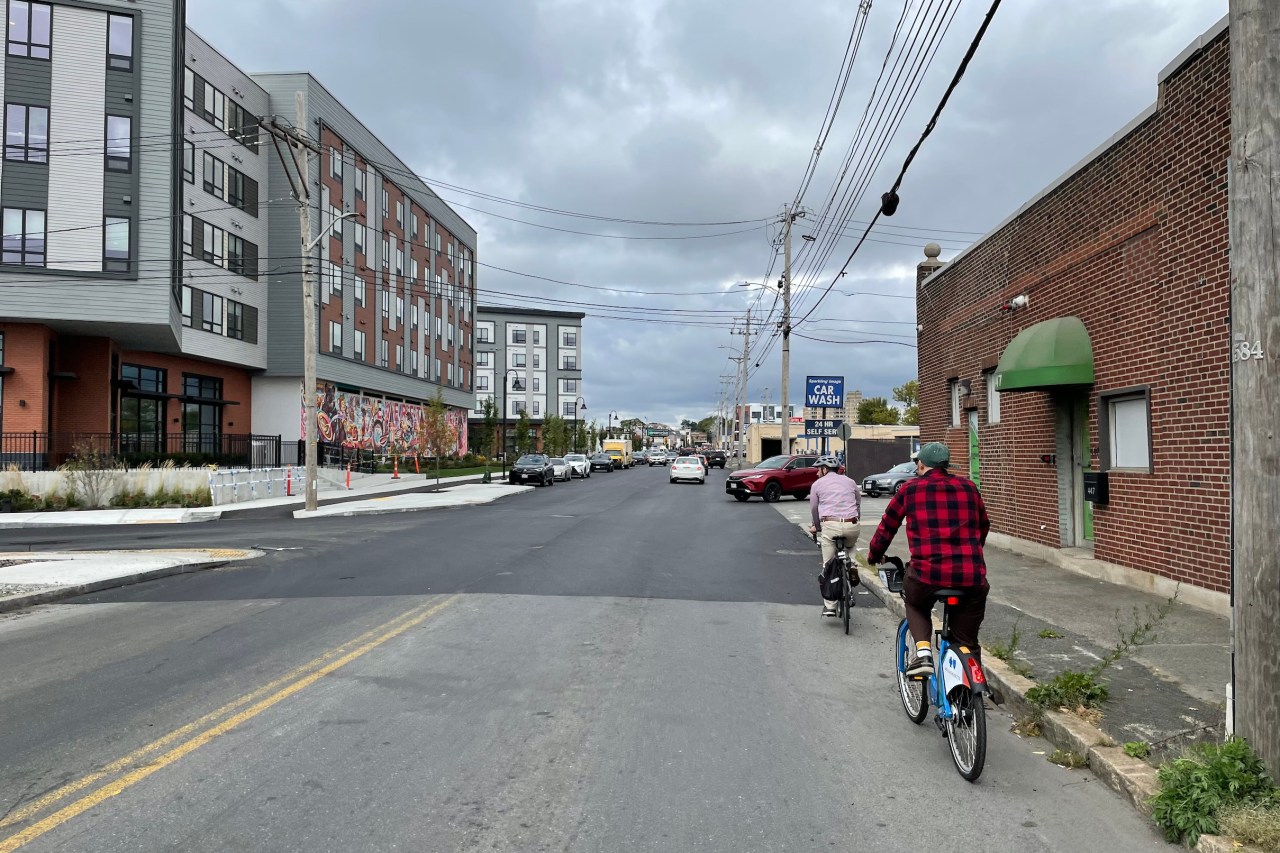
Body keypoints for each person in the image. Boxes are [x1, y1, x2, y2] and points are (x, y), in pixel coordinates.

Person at [866, 442, 990, 678]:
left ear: (921, 465)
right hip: (970, 577)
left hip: (927, 575)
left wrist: (873, 555)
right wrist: (973, 552)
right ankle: (970, 699)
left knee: (915, 603)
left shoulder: (910, 489)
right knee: (966, 640)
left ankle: (923, 654)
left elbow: (887, 527)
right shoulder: (969, 487)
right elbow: (983, 525)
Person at [806, 456, 861, 617]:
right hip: (852, 524)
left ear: (824, 469)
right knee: (850, 547)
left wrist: (816, 526)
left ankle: (830, 606)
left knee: (828, 564)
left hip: (830, 526)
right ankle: (852, 567)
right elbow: (857, 503)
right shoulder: (850, 482)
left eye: (819, 469)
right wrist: (857, 519)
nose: (817, 473)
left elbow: (814, 508)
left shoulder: (817, 485)